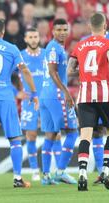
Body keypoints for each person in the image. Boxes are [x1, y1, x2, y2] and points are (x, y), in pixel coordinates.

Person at [0, 18, 38, 189]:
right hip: (6, 98)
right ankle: (17, 177)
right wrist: (34, 93)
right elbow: (24, 70)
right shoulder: (12, 49)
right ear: (3, 32)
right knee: (15, 138)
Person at [68, 12, 109, 191]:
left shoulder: (80, 45)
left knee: (86, 135)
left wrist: (85, 72)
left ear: (90, 27)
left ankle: (82, 172)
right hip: (105, 94)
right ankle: (105, 170)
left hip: (85, 95)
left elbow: (69, 70)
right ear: (105, 26)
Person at [80, 30, 109, 185]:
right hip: (102, 92)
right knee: (98, 132)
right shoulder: (86, 39)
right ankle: (102, 172)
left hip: (108, 91)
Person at [39, 18, 78, 185]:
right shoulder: (54, 48)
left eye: (65, 29)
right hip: (56, 95)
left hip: (46, 95)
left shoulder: (55, 47)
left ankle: (46, 176)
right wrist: (66, 92)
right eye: (59, 30)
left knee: (51, 135)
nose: (62, 32)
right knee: (72, 131)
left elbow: (59, 73)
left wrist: (78, 73)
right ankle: (61, 171)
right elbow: (53, 72)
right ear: (52, 31)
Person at [19, 28, 45, 182]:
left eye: (36, 36)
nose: (34, 39)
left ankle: (53, 170)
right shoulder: (20, 55)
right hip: (29, 102)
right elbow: (6, 75)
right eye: (31, 37)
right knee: (31, 135)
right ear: (25, 39)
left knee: (54, 134)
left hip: (47, 100)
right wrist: (17, 92)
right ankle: (35, 170)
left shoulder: (46, 54)